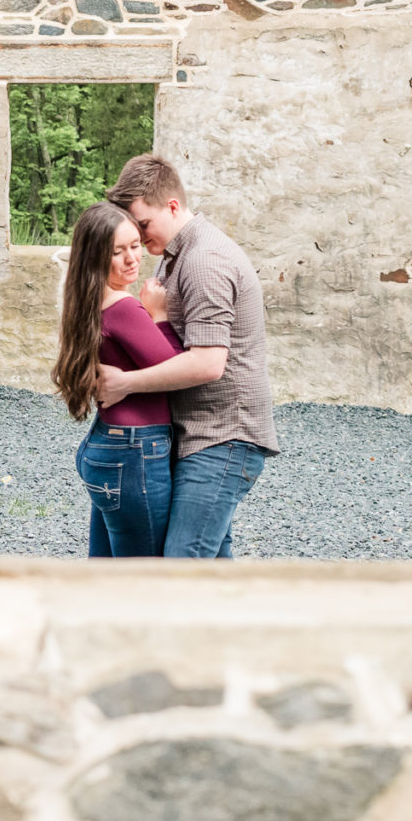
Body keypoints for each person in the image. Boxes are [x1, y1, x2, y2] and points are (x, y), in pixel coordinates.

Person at [100, 154, 278, 559]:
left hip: (223, 436)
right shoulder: (176, 256)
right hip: (201, 435)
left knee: (183, 566)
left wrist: (124, 384)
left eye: (143, 224)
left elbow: (208, 363)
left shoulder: (204, 261)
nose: (140, 237)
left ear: (172, 206)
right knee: (208, 568)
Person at [52, 201, 181, 557]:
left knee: (106, 570)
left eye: (135, 245)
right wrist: (159, 315)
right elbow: (173, 370)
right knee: (139, 573)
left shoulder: (86, 301)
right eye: (117, 252)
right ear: (95, 257)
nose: (132, 259)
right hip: (136, 451)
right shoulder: (124, 307)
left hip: (107, 445)